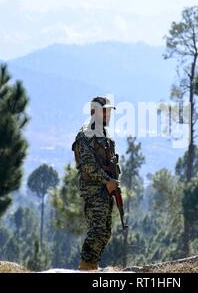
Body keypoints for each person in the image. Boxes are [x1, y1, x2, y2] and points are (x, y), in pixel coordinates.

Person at [72, 96, 120, 271]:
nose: (107, 114)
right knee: (97, 231)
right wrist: (107, 181)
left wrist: (113, 182)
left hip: (106, 190)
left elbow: (111, 163)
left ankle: (92, 266)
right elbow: (88, 165)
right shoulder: (85, 135)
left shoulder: (105, 135)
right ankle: (86, 266)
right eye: (104, 111)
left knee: (106, 232)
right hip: (93, 190)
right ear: (93, 112)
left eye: (108, 111)